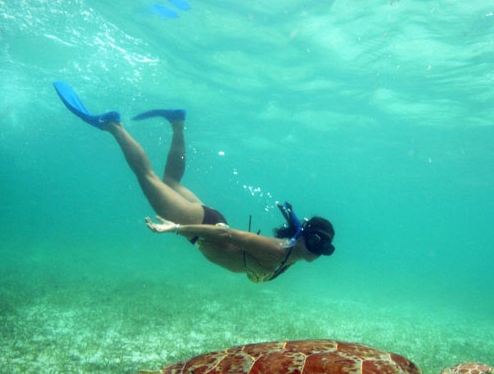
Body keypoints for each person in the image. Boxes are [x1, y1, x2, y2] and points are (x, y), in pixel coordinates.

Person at [53, 81, 335, 283]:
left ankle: (177, 122)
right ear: (304, 236)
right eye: (316, 243)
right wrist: (177, 228)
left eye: (325, 247)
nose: (318, 251)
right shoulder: (279, 250)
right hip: (207, 230)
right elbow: (227, 235)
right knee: (147, 177)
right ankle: (113, 126)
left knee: (170, 181)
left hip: (207, 227)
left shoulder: (293, 255)